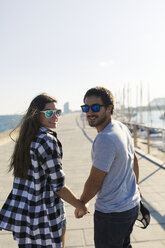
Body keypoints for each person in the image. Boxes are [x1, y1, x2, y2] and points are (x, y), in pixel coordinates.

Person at [0, 93, 88, 248]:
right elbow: (58, 186)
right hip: (46, 216)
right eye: (49, 113)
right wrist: (80, 205)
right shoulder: (47, 140)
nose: (55, 117)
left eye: (57, 112)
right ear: (36, 115)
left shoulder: (25, 139)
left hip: (25, 214)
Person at [75, 86, 141, 248]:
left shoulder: (105, 138)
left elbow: (94, 182)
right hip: (131, 206)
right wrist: (135, 188)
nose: (90, 112)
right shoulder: (121, 127)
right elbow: (135, 159)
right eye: (86, 107)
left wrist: (81, 204)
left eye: (96, 107)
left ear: (109, 108)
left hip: (112, 214)